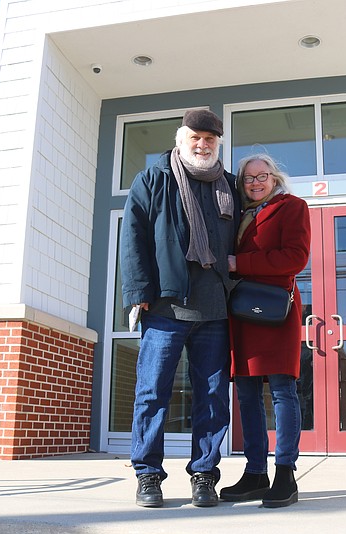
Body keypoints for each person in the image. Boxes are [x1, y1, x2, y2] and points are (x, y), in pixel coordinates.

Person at [120, 109, 240, 508]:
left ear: (217, 144)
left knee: (212, 396)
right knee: (153, 392)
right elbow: (133, 235)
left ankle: (204, 475)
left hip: (216, 309)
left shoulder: (231, 185)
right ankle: (148, 475)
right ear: (181, 139)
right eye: (196, 137)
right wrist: (138, 289)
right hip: (165, 307)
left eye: (210, 139)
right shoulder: (154, 179)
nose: (203, 145)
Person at [220, 153, 311, 508]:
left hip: (276, 310)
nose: (255, 183)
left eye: (262, 176)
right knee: (245, 393)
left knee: (282, 391)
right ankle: (255, 472)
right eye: (247, 179)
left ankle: (285, 475)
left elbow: (295, 257)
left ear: (275, 177)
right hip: (242, 310)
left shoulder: (292, 207)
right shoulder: (236, 215)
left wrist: (239, 263)